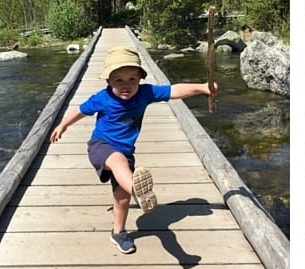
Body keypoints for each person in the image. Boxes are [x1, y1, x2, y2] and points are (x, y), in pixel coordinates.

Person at [49, 46, 217, 254]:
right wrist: (63, 125)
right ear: (108, 81)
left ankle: (118, 231)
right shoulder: (103, 98)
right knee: (118, 160)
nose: (126, 85)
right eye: (118, 80)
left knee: (122, 197)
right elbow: (80, 111)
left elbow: (175, 90)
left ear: (140, 78)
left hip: (126, 151)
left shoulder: (146, 93)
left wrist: (202, 88)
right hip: (101, 146)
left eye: (132, 79)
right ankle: (139, 192)